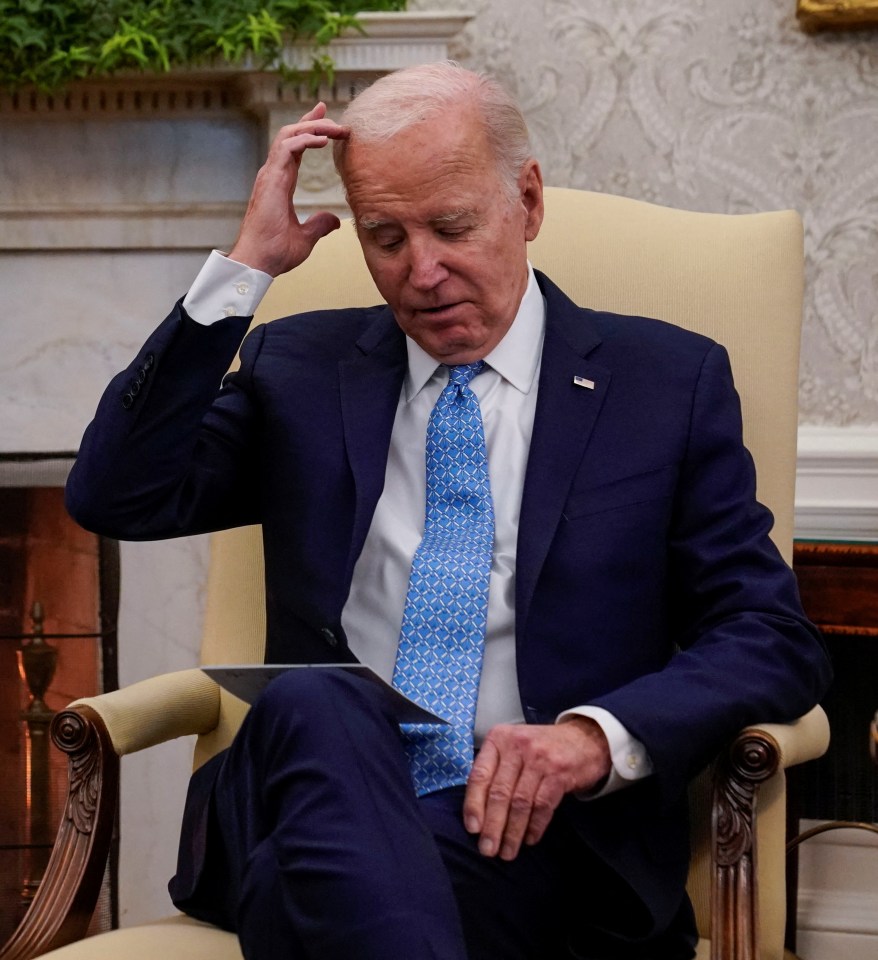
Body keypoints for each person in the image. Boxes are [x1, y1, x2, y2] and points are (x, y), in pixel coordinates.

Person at [66, 61, 831, 960]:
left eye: (452, 227)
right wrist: (241, 272)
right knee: (318, 702)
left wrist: (594, 740)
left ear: (529, 203)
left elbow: (767, 635)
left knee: (306, 887)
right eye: (386, 237)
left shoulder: (664, 385)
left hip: (539, 842)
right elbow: (117, 493)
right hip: (313, 779)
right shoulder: (301, 370)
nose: (422, 272)